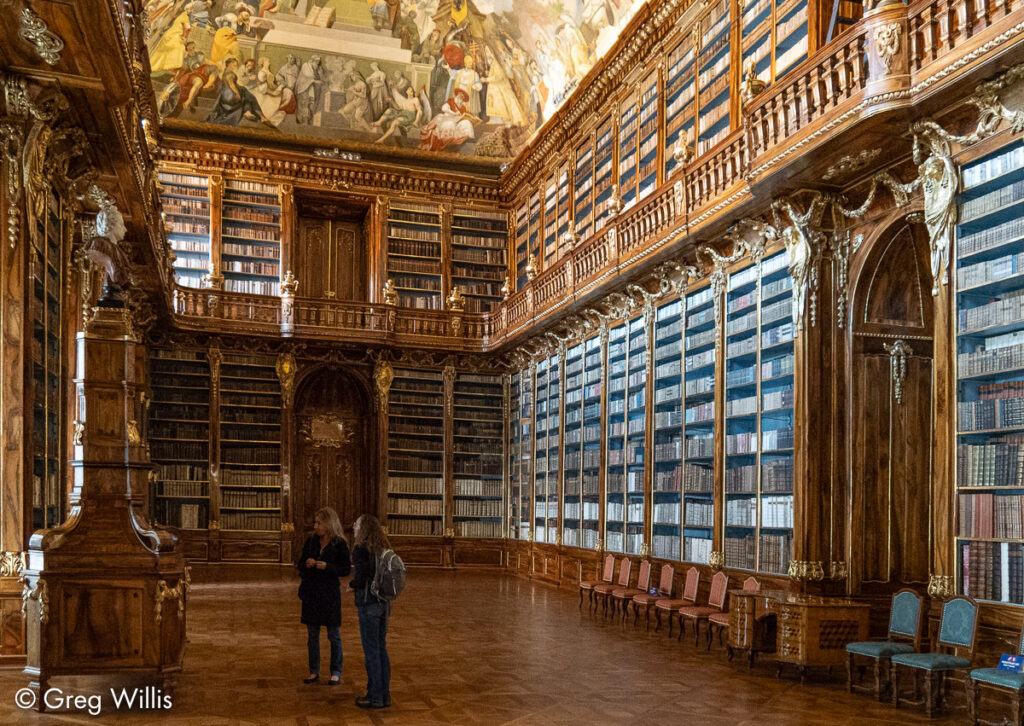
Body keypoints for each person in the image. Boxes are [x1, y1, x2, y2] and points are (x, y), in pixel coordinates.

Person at [297, 507, 351, 686]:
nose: (315, 526)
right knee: (312, 635)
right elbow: (300, 564)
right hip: (312, 593)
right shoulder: (312, 541)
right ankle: (314, 671)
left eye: (319, 522)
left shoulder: (339, 544)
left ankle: (336, 671)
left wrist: (327, 566)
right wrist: (308, 563)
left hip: (329, 594)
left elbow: (345, 569)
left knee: (333, 634)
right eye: (315, 522)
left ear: (329, 524)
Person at [349, 514, 391, 709]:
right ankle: (384, 695)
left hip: (368, 604)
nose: (354, 526)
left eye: (357, 524)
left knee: (371, 651)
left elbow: (361, 575)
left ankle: (374, 697)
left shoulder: (360, 549)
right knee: (381, 649)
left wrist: (351, 585)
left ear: (363, 528)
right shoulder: (383, 548)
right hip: (383, 604)